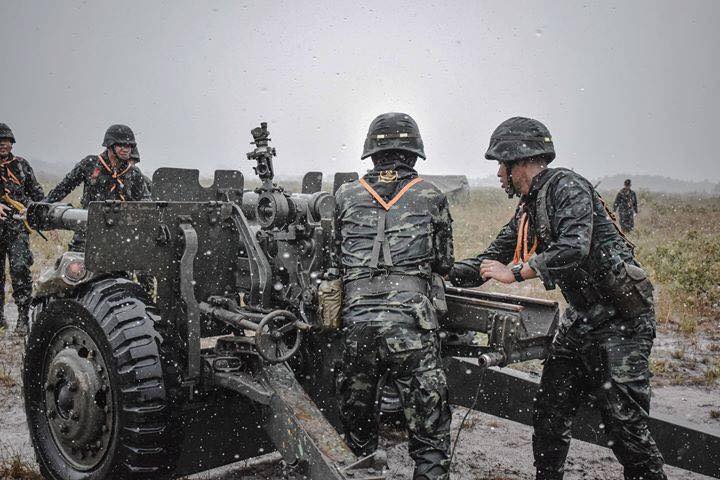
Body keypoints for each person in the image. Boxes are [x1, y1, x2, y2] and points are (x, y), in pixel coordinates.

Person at [449, 117, 666, 480]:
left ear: (517, 162)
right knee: (550, 411)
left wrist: (516, 273)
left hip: (622, 323)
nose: (499, 176)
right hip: (580, 321)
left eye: (501, 167)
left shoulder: (567, 187)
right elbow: (489, 262)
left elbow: (574, 247)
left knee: (626, 427)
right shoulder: (528, 208)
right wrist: (437, 270)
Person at [334, 112, 454, 480]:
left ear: (372, 154)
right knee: (429, 433)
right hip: (411, 325)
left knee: (357, 433)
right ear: (414, 154)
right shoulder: (431, 195)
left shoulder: (345, 195)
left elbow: (337, 258)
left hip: (357, 325)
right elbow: (444, 262)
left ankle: (364, 468)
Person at [44, 124, 150, 251]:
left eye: (129, 146)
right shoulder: (90, 164)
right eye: (121, 145)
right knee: (75, 267)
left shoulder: (134, 173)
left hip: (121, 234)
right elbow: (63, 188)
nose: (126, 149)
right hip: (87, 229)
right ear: (110, 146)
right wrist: (43, 206)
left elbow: (146, 203)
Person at [0, 123, 45, 335]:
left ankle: (22, 317)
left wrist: (47, 217)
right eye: (1, 141)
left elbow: (37, 194)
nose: (4, 144)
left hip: (17, 229)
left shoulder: (21, 165)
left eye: (7, 141)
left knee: (20, 270)